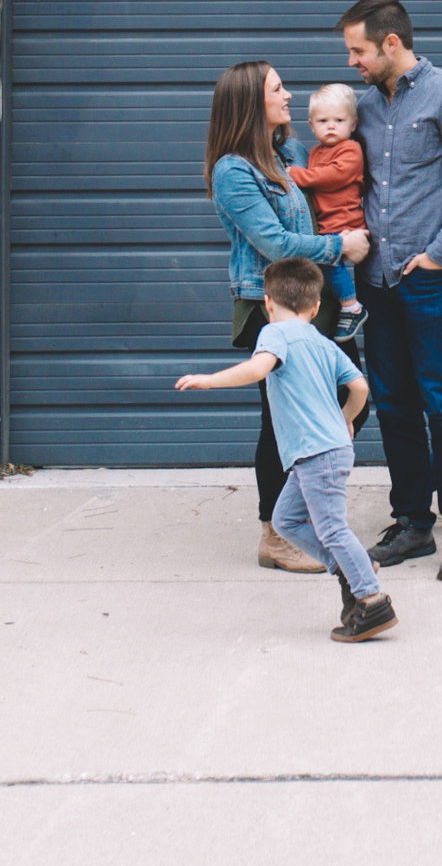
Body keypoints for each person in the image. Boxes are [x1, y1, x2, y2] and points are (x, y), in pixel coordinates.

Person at [339, 0, 442, 583]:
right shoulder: (362, 107)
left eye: (357, 50)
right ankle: (412, 522)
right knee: (396, 405)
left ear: (390, 44)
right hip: (375, 282)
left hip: (429, 279)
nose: (351, 61)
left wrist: (438, 255)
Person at [175, 258, 398, 643]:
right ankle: (354, 568)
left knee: (330, 527)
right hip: (323, 450)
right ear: (315, 307)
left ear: (267, 303)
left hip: (319, 452)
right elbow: (360, 387)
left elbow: (259, 369)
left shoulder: (274, 335)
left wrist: (211, 381)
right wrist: (346, 418)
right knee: (286, 521)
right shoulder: (323, 341)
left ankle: (372, 600)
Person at [205, 60, 370, 574]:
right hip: (270, 307)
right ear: (252, 101)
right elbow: (273, 243)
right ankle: (276, 535)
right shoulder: (233, 169)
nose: (290, 96)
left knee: (352, 402)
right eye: (278, 89)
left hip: (313, 304)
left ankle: (301, 515)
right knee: (282, 424)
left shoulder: (287, 152)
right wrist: (339, 245)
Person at [287, 83, 368, 339]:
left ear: (353, 124)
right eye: (323, 121)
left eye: (339, 120)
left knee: (330, 262)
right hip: (326, 221)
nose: (331, 126)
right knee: (325, 266)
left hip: (344, 220)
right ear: (311, 126)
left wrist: (298, 176)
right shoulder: (314, 152)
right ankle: (337, 304)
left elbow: (333, 176)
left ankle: (352, 306)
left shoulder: (350, 150)